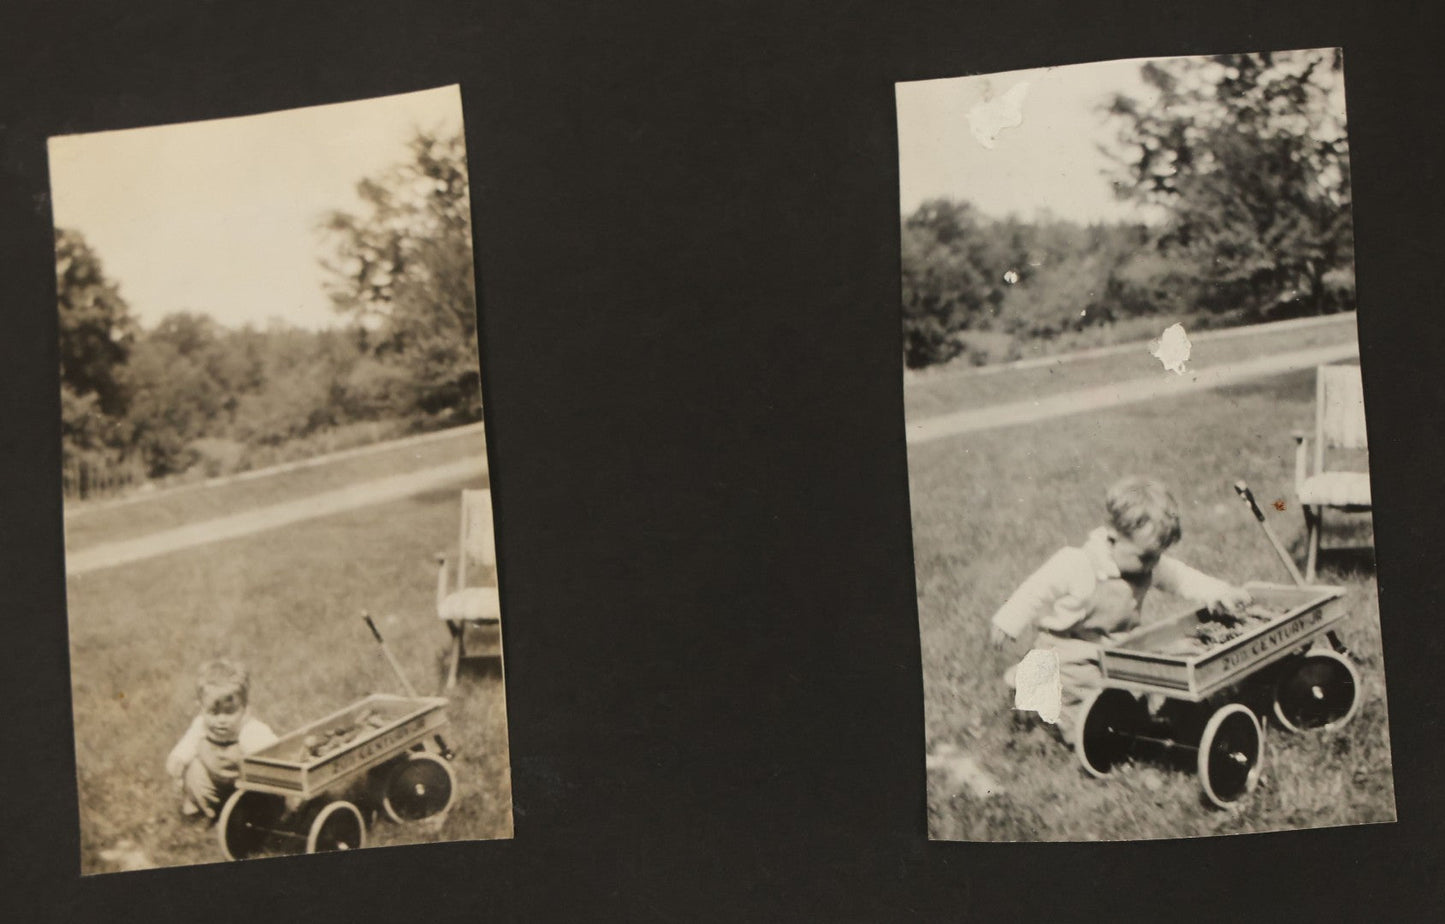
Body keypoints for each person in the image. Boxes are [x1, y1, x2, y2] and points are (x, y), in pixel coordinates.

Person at [989, 476, 1252, 746]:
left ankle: (1135, 715)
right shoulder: (1077, 563)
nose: (1152, 565)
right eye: (1145, 557)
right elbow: (1035, 590)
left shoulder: (1148, 563)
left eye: (1157, 557)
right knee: (1082, 694)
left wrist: (1220, 592)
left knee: (1148, 672)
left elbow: (1183, 579)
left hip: (1115, 647)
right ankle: (1060, 718)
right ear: (1113, 536)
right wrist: (1009, 620)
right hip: (1068, 649)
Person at [165, 659, 278, 820]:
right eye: (213, 712)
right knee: (194, 770)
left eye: (229, 712)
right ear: (201, 708)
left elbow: (272, 749)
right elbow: (188, 743)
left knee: (258, 788)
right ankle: (206, 810)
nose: (221, 720)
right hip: (213, 777)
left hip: (242, 782)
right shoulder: (201, 725)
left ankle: (246, 814)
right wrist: (178, 759)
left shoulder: (249, 729)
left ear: (244, 707)